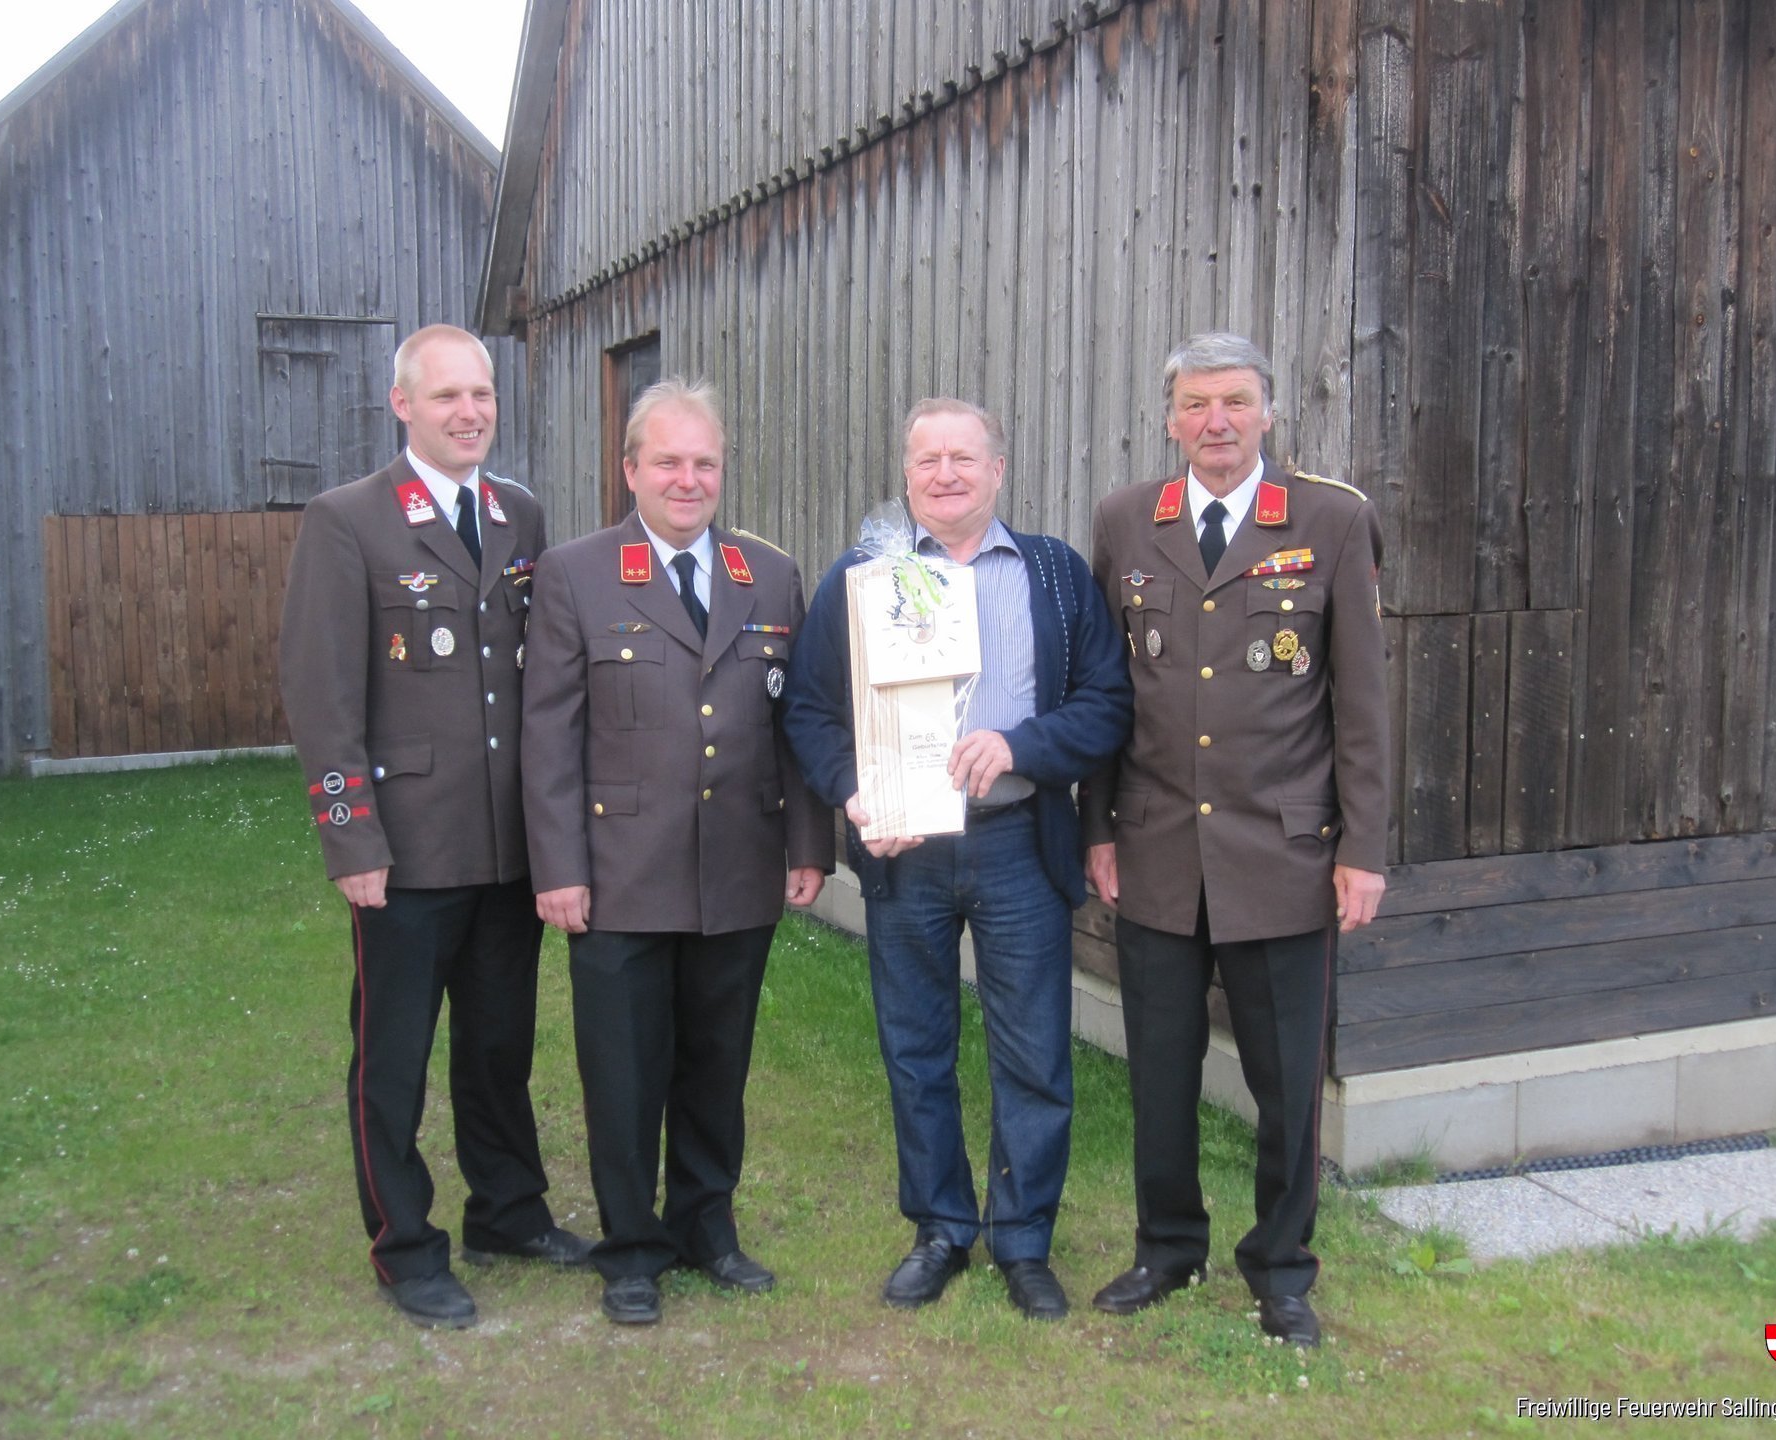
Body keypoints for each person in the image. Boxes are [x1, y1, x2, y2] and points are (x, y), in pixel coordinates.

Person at [784, 399, 1131, 1321]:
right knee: (916, 1048)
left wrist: (1022, 746)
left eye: (964, 458)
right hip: (906, 849)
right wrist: (853, 790)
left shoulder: (1052, 573)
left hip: (1019, 841)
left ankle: (1024, 1242)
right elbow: (809, 711)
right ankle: (940, 1228)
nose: (945, 474)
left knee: (1034, 1051)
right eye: (927, 459)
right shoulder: (865, 577)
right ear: (906, 474)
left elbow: (1107, 701)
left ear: (998, 471)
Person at [1081, 332, 1390, 1346]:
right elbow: (1106, 691)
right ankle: (1167, 1249)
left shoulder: (1331, 520)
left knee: (1287, 1081)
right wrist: (1098, 826)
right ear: (1170, 418)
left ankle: (1282, 1267)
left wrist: (1363, 849)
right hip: (1159, 847)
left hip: (1284, 856)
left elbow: (1362, 706)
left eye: (1236, 402)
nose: (1217, 422)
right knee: (1160, 1071)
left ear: (1268, 411)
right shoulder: (1127, 520)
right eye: (1197, 404)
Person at [279, 323, 589, 1330]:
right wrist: (350, 838)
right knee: (393, 1061)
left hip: (505, 846)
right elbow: (321, 694)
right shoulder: (348, 520)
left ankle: (508, 1212)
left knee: (499, 1049)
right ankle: (404, 1245)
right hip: (406, 850)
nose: (469, 412)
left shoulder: (518, 513)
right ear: (402, 405)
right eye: (447, 395)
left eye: (482, 394)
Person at [520, 379, 834, 1327]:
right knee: (623, 1074)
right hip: (619, 873)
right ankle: (630, 1250)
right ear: (631, 470)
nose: (687, 480)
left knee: (716, 1065)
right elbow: (549, 737)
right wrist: (558, 868)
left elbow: (794, 723)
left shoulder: (768, 575)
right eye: (668, 462)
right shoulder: (576, 574)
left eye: (704, 462)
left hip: (736, 868)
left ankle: (706, 1229)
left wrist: (808, 842)